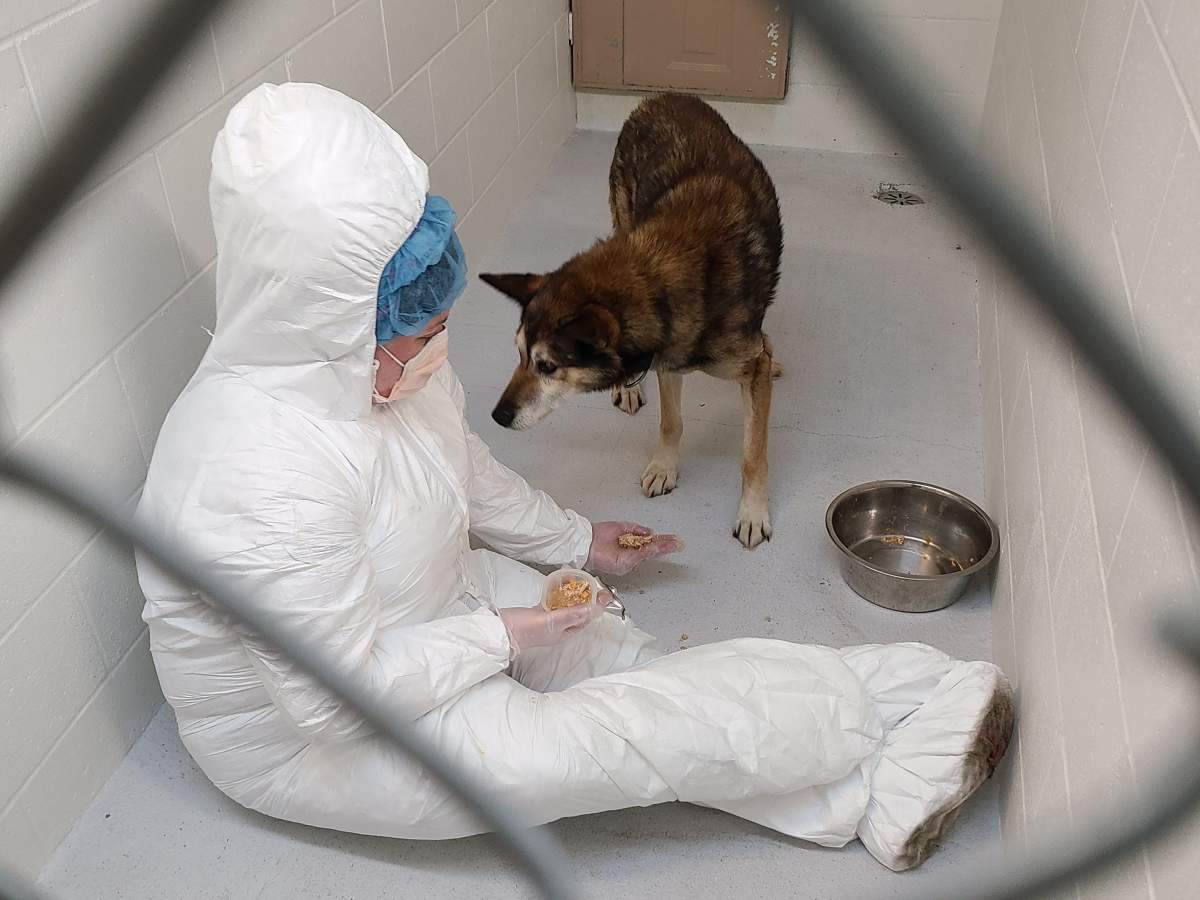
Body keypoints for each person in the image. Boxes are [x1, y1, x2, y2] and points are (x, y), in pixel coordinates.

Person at [136, 83, 1013, 873]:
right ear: (335, 322)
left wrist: (575, 542)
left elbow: (460, 473)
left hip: (426, 595)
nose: (441, 346)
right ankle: (897, 728)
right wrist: (503, 636)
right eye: (420, 326)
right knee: (614, 739)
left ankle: (871, 759)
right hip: (325, 737)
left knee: (626, 657)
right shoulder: (249, 476)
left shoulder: (381, 368)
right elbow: (330, 701)